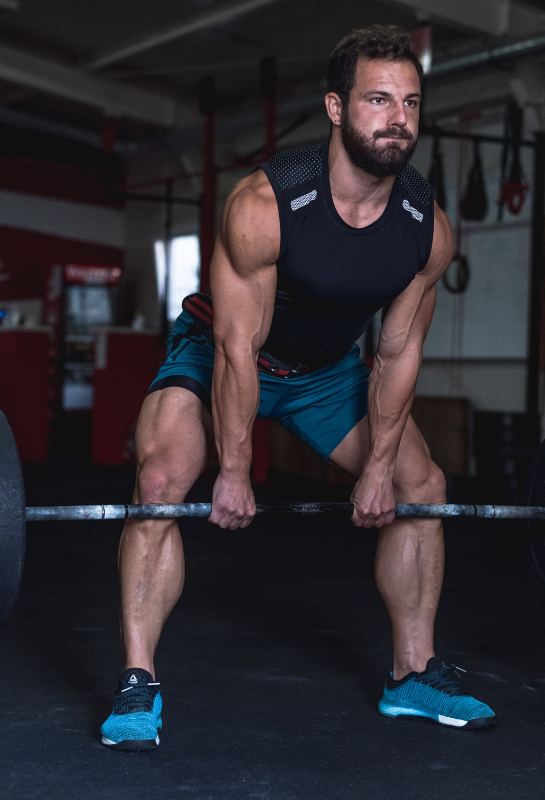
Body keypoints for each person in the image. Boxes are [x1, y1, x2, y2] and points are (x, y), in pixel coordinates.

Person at [101, 24, 495, 752]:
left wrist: (378, 468)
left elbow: (400, 351)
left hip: (323, 374)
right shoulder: (265, 205)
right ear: (337, 108)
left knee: (422, 485)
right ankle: (137, 679)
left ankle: (412, 675)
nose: (398, 118)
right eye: (378, 99)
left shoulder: (426, 230)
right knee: (158, 482)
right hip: (218, 355)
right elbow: (237, 349)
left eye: (410, 102)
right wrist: (233, 468)